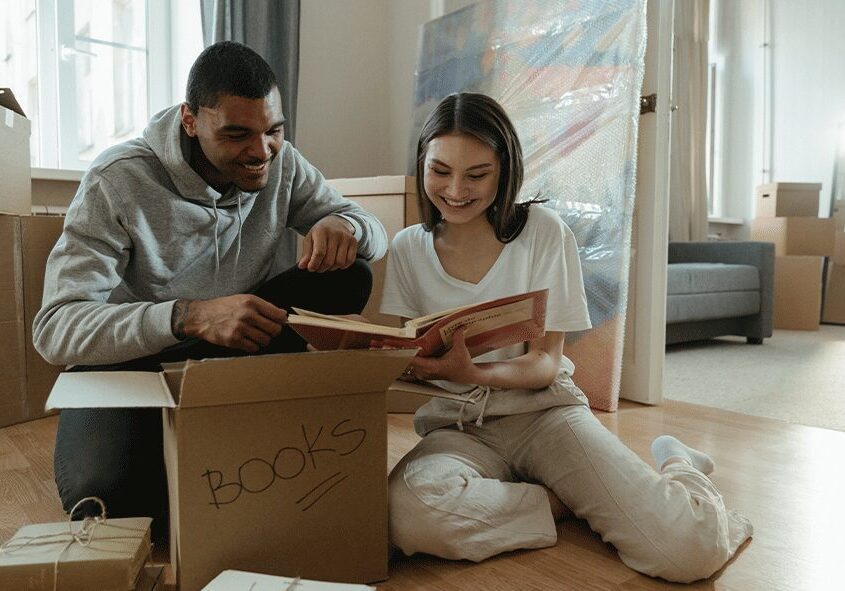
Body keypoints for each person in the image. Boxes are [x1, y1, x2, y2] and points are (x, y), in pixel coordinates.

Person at [380, 92, 752, 583]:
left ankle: (679, 464)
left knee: (687, 552)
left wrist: (475, 371)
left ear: (505, 168)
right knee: (408, 514)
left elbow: (545, 364)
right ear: (422, 163)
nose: (454, 190)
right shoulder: (408, 248)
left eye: (477, 174)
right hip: (459, 427)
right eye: (440, 170)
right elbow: (404, 349)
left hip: (544, 414)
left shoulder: (542, 232)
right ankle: (556, 501)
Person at [33, 41, 387, 539]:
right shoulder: (117, 180)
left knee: (351, 273)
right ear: (191, 120)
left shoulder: (279, 161)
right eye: (238, 134)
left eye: (274, 131)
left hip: (231, 348)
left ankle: (231, 410)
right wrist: (188, 316)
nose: (261, 152)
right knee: (114, 508)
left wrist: (345, 227)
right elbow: (55, 329)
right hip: (131, 362)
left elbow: (371, 225)